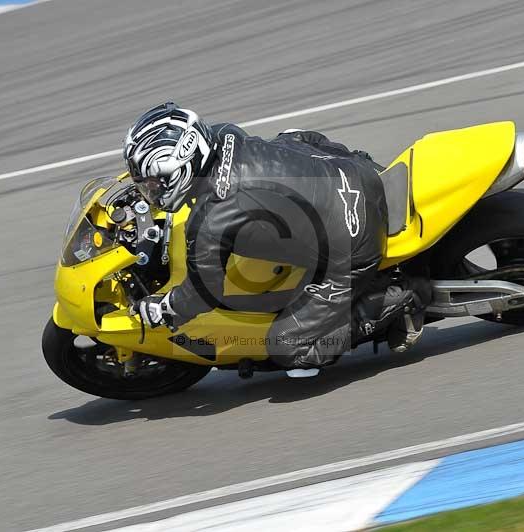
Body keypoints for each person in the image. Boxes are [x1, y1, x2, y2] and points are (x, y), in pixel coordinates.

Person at [125, 102, 428, 375]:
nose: (150, 193)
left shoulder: (212, 219)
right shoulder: (223, 135)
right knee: (290, 137)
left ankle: (399, 298)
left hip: (354, 244)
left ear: (183, 169)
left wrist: (163, 308)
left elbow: (204, 292)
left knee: (285, 346)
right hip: (354, 169)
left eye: (154, 184)